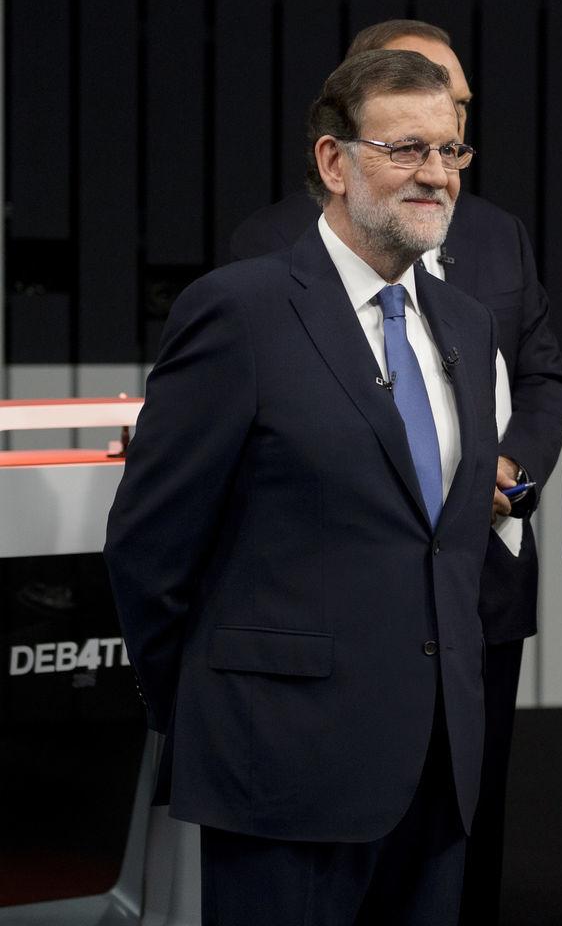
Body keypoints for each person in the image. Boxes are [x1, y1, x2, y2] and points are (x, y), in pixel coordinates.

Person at [106, 50, 498, 922]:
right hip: (280, 770)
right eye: (406, 149)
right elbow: (149, 548)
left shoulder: (466, 324)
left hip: (438, 775)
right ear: (334, 160)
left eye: (450, 151)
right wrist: (216, 709)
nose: (436, 174)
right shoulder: (239, 310)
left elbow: (446, 549)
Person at [228, 19, 562, 923]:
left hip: (474, 606)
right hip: (317, 671)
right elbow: (168, 535)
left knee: (457, 863)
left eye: (453, 125)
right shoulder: (261, 259)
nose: (438, 159)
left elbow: (543, 377)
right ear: (341, 142)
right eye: (409, 136)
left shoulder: (490, 246)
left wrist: (509, 475)